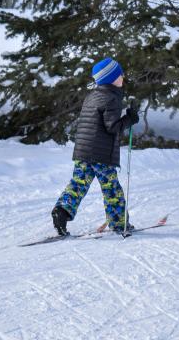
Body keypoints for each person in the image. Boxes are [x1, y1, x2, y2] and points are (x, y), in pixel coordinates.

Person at [51, 57, 140, 236]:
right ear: (111, 78)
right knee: (111, 189)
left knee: (78, 184)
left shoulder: (92, 96)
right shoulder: (112, 98)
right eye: (119, 74)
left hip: (84, 151)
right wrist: (130, 118)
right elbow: (112, 126)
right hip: (101, 154)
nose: (123, 76)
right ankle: (119, 223)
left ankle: (61, 211)